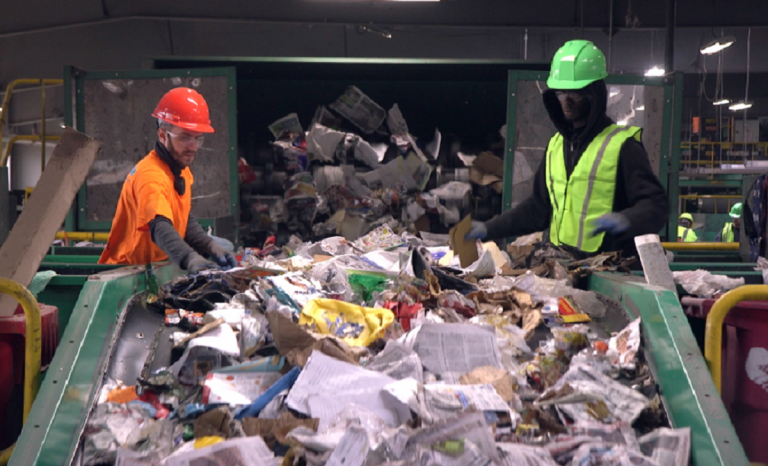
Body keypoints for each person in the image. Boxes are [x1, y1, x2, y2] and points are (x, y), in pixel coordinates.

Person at [465, 40, 668, 257]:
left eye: (576, 93)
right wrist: (489, 228)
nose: (566, 101)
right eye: (561, 93)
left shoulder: (623, 145)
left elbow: (655, 204)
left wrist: (627, 220)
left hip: (610, 271)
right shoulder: (556, 146)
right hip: (564, 266)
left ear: (594, 94)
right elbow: (538, 209)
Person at [99, 87, 237, 273]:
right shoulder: (150, 176)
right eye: (185, 138)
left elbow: (182, 219)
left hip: (156, 268)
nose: (193, 147)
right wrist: (189, 258)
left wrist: (210, 246)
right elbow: (160, 226)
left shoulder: (181, 171)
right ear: (163, 135)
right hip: (125, 274)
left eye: (198, 139)